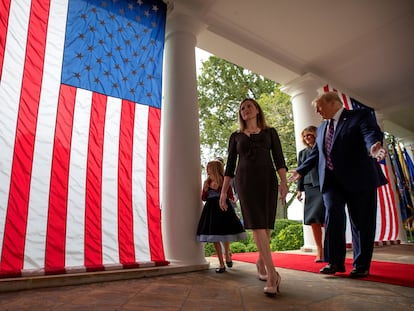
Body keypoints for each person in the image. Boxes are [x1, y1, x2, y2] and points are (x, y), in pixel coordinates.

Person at [289, 92, 387, 279]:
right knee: (332, 216)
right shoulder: (322, 128)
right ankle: (334, 262)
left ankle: (361, 265)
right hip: (331, 182)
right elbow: (316, 154)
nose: (316, 111)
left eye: (318, 106)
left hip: (359, 178)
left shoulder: (359, 116)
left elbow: (369, 134)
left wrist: (373, 147)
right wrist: (300, 171)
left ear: (333, 103)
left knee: (361, 223)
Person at [219, 98, 288, 296]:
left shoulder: (270, 132)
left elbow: (279, 159)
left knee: (266, 227)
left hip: (268, 181)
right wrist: (224, 192)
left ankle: (260, 262)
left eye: (249, 106)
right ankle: (273, 274)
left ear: (257, 110)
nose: (245, 110)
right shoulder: (236, 136)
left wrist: (284, 183)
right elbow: (230, 166)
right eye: (242, 108)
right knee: (257, 225)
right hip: (245, 182)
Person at [196, 160, 247, 273]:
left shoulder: (225, 180)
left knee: (225, 233)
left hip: (223, 208)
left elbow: (229, 196)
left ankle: (227, 255)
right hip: (210, 211)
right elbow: (203, 198)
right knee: (214, 237)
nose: (207, 169)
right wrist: (204, 190)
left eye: (209, 167)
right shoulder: (207, 182)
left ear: (214, 168)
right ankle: (221, 263)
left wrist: (221, 189)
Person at [296, 125, 325, 263]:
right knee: (313, 220)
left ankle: (331, 248)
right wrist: (299, 190)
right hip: (309, 187)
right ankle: (320, 250)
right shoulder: (302, 153)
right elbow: (300, 172)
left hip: (324, 185)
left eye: (309, 135)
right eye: (305, 136)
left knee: (326, 218)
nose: (307, 138)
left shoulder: (323, 147)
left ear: (315, 134)